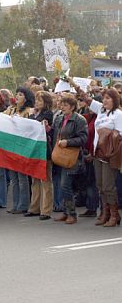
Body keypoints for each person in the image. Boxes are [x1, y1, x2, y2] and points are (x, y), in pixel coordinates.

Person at [81, 88, 122, 226]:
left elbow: (120, 136)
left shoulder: (118, 114)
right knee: (100, 185)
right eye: (103, 98)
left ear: (115, 100)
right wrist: (74, 84)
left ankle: (115, 215)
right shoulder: (101, 111)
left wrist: (107, 134)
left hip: (110, 154)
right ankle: (106, 213)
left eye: (108, 98)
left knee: (108, 186)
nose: (104, 100)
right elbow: (87, 99)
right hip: (97, 153)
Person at [52, 94, 88, 224]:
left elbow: (83, 138)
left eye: (65, 105)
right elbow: (56, 134)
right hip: (61, 156)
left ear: (72, 107)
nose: (62, 107)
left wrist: (68, 142)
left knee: (65, 185)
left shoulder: (79, 120)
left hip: (73, 157)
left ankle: (72, 214)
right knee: (63, 186)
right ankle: (66, 212)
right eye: (61, 104)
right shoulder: (60, 118)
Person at [5, 87, 35, 213]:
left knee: (22, 178)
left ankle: (23, 205)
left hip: (22, 147)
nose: (17, 96)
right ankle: (15, 204)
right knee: (14, 178)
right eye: (17, 94)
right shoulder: (10, 109)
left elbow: (30, 127)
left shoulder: (29, 111)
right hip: (11, 147)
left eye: (21, 94)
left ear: (26, 98)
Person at [25, 91, 54, 220]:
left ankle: (46, 210)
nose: (37, 103)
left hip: (44, 151)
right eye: (36, 100)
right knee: (34, 180)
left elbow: (35, 124)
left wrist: (30, 116)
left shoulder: (47, 114)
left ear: (46, 103)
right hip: (34, 150)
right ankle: (34, 207)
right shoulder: (35, 114)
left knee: (45, 180)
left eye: (40, 101)